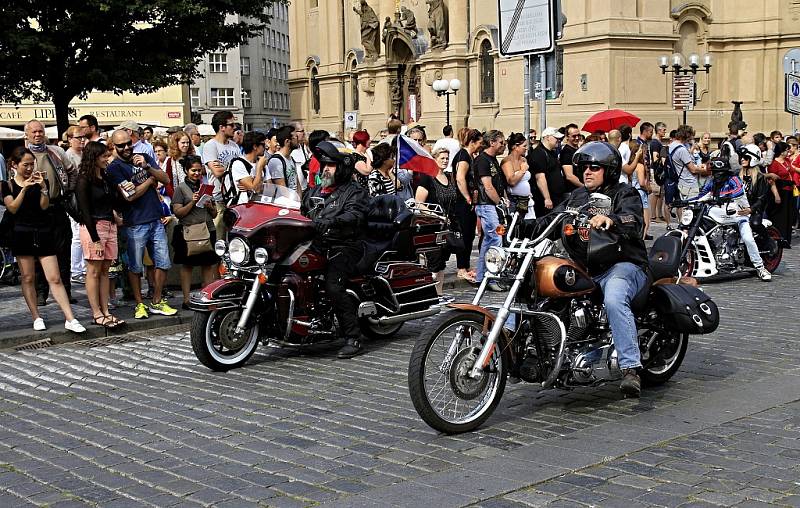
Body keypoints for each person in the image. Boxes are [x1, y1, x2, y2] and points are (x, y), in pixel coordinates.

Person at [530, 141, 648, 396]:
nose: (587, 172)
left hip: (621, 264)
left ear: (610, 170)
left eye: (595, 167)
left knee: (615, 299)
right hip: (583, 265)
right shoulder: (578, 196)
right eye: (584, 167)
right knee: (534, 286)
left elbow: (634, 221)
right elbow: (552, 219)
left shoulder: (624, 194)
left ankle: (630, 368)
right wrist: (522, 227)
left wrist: (612, 219)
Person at [1, 147, 85, 333]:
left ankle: (70, 318)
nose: (30, 168)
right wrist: (24, 188)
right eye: (26, 165)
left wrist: (44, 189)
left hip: (43, 231)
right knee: (28, 277)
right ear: (14, 165)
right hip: (21, 233)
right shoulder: (6, 185)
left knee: (54, 277)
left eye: (32, 164)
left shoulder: (41, 180)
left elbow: (44, 206)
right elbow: (13, 208)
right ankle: (36, 316)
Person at [301, 141, 370, 359]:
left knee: (333, 285)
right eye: (324, 165)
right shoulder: (313, 191)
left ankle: (353, 337)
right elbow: (299, 210)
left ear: (342, 168)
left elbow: (355, 215)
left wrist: (332, 222)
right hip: (317, 242)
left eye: (331, 165)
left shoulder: (353, 191)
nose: (325, 169)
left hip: (345, 244)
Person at [105, 129, 177, 319]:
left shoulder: (144, 156)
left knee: (163, 262)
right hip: (135, 222)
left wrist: (148, 169)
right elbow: (130, 197)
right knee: (135, 266)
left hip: (155, 217)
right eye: (121, 145)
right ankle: (139, 304)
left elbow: (166, 179)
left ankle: (157, 300)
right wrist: (149, 181)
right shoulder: (115, 168)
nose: (127, 148)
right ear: (114, 147)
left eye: (129, 143)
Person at [690, 155, 772, 281]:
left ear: (725, 172)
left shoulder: (734, 180)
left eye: (719, 173)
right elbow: (701, 195)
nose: (716, 175)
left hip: (739, 213)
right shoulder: (711, 181)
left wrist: (718, 198)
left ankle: (760, 267)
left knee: (748, 239)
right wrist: (684, 201)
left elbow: (737, 192)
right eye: (714, 173)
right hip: (720, 213)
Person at [24, 120, 78, 306]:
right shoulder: (23, 155)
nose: (38, 135)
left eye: (40, 131)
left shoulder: (56, 151)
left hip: (57, 206)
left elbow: (72, 172)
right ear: (27, 134)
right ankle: (41, 293)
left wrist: (67, 191)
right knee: (38, 252)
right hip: (34, 210)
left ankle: (66, 290)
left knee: (63, 251)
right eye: (34, 132)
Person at [76, 141, 124, 328]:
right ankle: (96, 312)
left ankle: (105, 310)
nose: (107, 159)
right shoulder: (83, 180)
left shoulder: (105, 177)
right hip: (94, 226)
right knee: (94, 271)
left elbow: (110, 202)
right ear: (94, 158)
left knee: (106, 271)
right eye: (104, 156)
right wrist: (94, 238)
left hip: (109, 225)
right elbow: (85, 210)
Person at [171, 155, 220, 309]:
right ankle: (186, 299)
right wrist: (193, 201)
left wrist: (209, 205)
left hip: (207, 229)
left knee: (207, 265)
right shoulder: (180, 189)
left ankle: (207, 297)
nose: (197, 173)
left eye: (199, 170)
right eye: (193, 170)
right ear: (186, 170)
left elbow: (214, 214)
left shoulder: (205, 187)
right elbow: (178, 213)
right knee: (187, 266)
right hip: (189, 232)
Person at [415, 147, 459, 294]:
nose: (445, 161)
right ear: (434, 159)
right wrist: (435, 214)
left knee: (441, 263)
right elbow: (419, 202)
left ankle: (438, 294)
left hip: (447, 225)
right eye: (442, 158)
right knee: (434, 262)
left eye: (447, 158)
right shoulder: (427, 177)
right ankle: (428, 293)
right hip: (432, 226)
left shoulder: (449, 177)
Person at [474, 130, 507, 291]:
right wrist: (500, 202)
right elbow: (487, 186)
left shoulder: (493, 160)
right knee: (495, 240)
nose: (504, 145)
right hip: (486, 205)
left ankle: (482, 277)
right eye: (501, 142)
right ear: (492, 142)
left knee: (488, 242)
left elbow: (498, 183)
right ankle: (491, 276)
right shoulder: (482, 160)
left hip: (492, 205)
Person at [201, 111, 241, 236]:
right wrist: (232, 168)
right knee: (220, 237)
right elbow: (217, 172)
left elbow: (242, 169)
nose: (234, 128)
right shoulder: (210, 146)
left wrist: (225, 168)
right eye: (231, 125)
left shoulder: (234, 146)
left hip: (235, 197)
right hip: (219, 199)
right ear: (222, 127)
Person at [452, 128, 483, 283]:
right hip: (462, 202)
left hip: (468, 202)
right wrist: (467, 198)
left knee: (469, 234)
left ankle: (465, 265)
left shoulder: (469, 156)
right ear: (472, 142)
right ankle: (461, 268)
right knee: (464, 234)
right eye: (479, 143)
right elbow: (459, 178)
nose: (480, 146)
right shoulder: (463, 156)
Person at [529, 127, 566, 218]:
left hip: (557, 197)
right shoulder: (539, 154)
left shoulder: (551, 153)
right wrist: (547, 198)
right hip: (546, 200)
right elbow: (540, 178)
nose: (558, 140)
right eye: (556, 138)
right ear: (547, 137)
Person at [767, 141, 796, 248]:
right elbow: (772, 181)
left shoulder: (787, 161)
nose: (788, 152)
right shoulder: (774, 164)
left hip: (789, 190)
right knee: (780, 216)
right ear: (782, 151)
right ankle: (779, 238)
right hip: (780, 190)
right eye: (786, 150)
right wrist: (776, 195)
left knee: (789, 215)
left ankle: (787, 239)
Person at [224, 131, 266, 205]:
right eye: (263, 144)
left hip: (260, 205)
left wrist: (255, 186)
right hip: (242, 207)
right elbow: (255, 188)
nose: (265, 147)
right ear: (255, 146)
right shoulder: (239, 163)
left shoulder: (262, 162)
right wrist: (259, 168)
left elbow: (270, 187)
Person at [501, 133, 532, 215]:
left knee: (528, 224)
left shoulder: (524, 160)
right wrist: (522, 171)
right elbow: (511, 182)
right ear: (515, 147)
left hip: (526, 199)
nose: (526, 148)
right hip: (514, 200)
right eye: (524, 146)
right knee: (515, 224)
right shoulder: (507, 161)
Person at [266, 126, 301, 193]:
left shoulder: (291, 158)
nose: (298, 139)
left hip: (296, 201)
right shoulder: (276, 161)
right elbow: (282, 190)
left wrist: (299, 200)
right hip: (286, 202)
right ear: (287, 141)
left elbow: (297, 184)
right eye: (296, 137)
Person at [164, 130, 195, 198]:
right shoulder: (170, 160)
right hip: (178, 197)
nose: (186, 145)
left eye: (187, 142)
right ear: (176, 143)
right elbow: (168, 181)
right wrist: (174, 197)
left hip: (193, 195)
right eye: (183, 143)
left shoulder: (193, 158)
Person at [560, 124, 582, 189]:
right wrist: (584, 187)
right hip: (572, 191)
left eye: (578, 135)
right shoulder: (566, 152)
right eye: (574, 136)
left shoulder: (577, 149)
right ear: (567, 137)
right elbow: (569, 176)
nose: (577, 138)